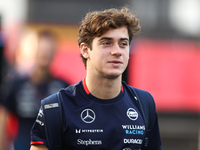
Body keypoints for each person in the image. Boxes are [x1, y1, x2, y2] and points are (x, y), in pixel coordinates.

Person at [30, 7, 162, 150]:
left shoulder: (144, 103)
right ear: (85, 50)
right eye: (106, 43)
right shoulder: (55, 108)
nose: (117, 51)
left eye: (123, 44)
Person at [0, 30, 69, 150]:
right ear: (33, 51)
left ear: (54, 52)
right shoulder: (16, 85)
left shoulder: (64, 87)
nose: (44, 54)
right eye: (41, 49)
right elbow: (3, 119)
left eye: (48, 50)